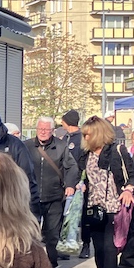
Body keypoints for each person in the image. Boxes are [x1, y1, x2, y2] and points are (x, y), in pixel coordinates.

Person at [75, 116, 134, 268]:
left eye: (88, 134)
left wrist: (128, 189)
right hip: (93, 209)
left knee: (110, 250)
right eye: (83, 134)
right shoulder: (85, 155)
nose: (85, 138)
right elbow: (84, 177)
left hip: (114, 208)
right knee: (100, 252)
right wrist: (81, 185)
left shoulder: (117, 151)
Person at [27, 116, 78, 267]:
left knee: (52, 234)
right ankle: (31, 264)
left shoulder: (61, 146)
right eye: (40, 129)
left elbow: (71, 167)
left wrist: (70, 185)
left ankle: (51, 264)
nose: (43, 132)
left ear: (53, 131)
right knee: (31, 233)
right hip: (31, 197)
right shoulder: (26, 146)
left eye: (46, 129)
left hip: (54, 196)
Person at [59, 110, 89, 258]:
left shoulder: (81, 139)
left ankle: (85, 246)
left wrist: (81, 180)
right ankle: (64, 246)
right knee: (66, 216)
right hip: (65, 183)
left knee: (79, 216)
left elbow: (83, 162)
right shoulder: (65, 138)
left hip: (78, 184)